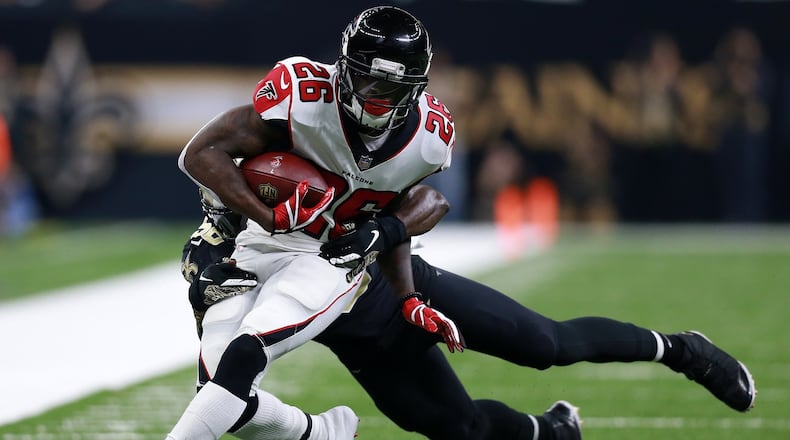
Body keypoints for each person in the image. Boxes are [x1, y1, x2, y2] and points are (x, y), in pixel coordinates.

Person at [184, 183, 755, 439]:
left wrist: (405, 290)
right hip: (367, 344)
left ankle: (682, 349)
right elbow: (224, 387)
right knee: (465, 429)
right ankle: (550, 431)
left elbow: (423, 202)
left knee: (546, 345)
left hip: (403, 294)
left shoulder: (318, 169)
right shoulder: (222, 266)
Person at [168, 6, 467, 440]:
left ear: (416, 89)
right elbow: (200, 153)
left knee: (245, 354)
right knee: (217, 395)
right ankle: (321, 433)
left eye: (392, 87)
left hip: (329, 254)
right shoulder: (302, 94)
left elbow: (417, 204)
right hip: (260, 240)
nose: (377, 97)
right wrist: (265, 214)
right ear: (344, 68)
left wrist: (406, 292)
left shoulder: (428, 139)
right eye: (368, 79)